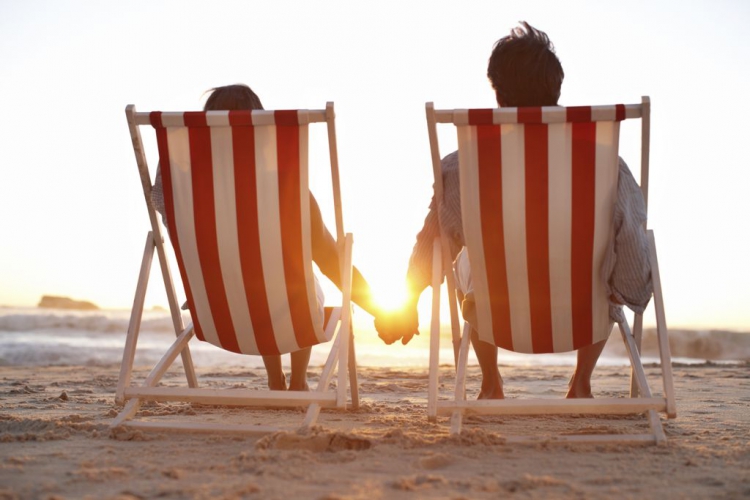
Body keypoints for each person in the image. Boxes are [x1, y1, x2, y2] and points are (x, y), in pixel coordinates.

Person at [375, 23, 652, 399]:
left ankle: (491, 382)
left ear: (499, 94)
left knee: (465, 263)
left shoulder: (464, 167)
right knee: (607, 259)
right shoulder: (604, 164)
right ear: (556, 90)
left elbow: (434, 241)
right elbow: (634, 253)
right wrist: (629, 292)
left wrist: (408, 301)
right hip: (581, 318)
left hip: (497, 317)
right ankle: (581, 382)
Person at [151, 84, 380, 391]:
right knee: (294, 280)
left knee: (253, 279)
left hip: (219, 312)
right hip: (289, 309)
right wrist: (382, 312)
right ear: (262, 130)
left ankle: (276, 378)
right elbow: (329, 259)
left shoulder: (183, 189)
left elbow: (163, 203)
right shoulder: (285, 185)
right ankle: (298, 380)